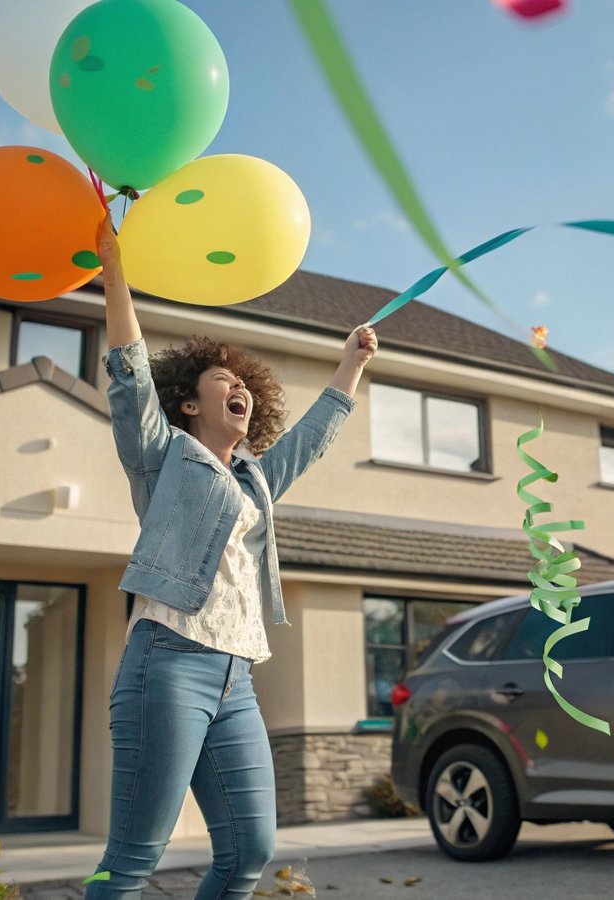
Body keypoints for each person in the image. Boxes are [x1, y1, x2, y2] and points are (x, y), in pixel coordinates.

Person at [88, 213, 377, 899]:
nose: (239, 388)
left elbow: (306, 443)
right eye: (222, 382)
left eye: (244, 384)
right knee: (134, 857)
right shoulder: (164, 457)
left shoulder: (254, 478)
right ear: (188, 403)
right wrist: (113, 267)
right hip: (167, 661)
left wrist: (352, 364)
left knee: (250, 850)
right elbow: (130, 377)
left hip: (235, 678)